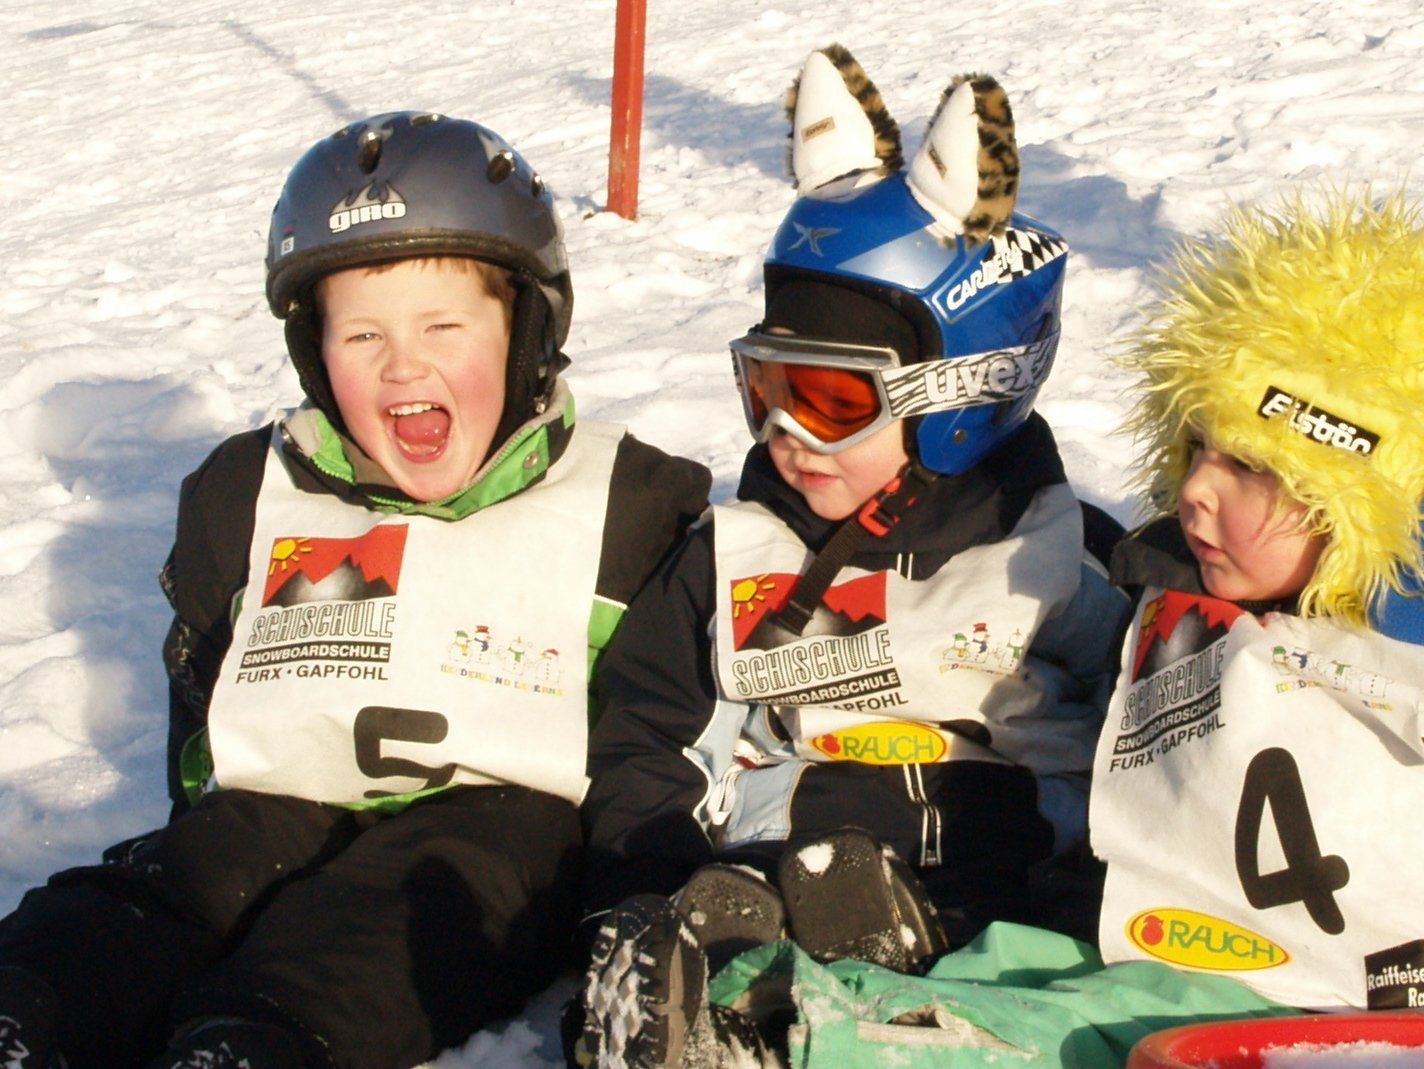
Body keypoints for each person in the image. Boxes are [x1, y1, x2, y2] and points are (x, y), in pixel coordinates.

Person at [585, 187, 1424, 1069]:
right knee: (1003, 974)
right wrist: (640, 883)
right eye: (1193, 447)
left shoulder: (1089, 570)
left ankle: (792, 1042)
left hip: (1291, 991)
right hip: (1105, 933)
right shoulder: (1167, 591)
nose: (1193, 490)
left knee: (1051, 1012)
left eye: (1246, 465)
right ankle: (731, 1001)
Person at [0, 111, 710, 1069]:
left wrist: (633, 900)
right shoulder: (249, 494)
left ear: (527, 331)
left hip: (491, 847)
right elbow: (202, 723)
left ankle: (249, 1042)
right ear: (314, 350)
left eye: (444, 325)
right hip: (278, 806)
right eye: (361, 332)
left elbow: (660, 738)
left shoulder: (630, 506)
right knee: (175, 884)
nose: (402, 363)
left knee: (402, 904)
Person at [572, 47, 1128, 1069]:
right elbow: (649, 730)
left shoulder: (1056, 554)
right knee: (746, 902)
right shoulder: (732, 554)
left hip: (992, 872)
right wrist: (648, 877)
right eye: (766, 387)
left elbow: (1143, 733)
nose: (785, 431)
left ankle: (894, 999)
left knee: (997, 936)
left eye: (829, 399)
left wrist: (1088, 888)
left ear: (959, 399)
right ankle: (693, 1001)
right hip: (779, 851)